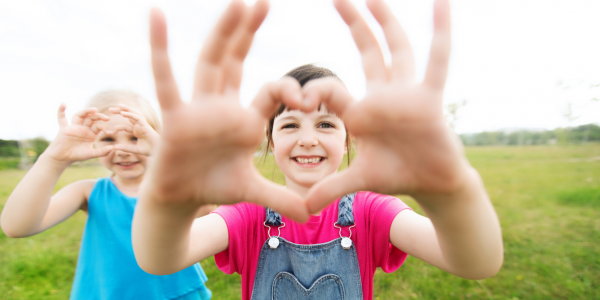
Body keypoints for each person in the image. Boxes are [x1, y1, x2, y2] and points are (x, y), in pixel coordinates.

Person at [132, 0, 504, 299]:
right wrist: (167, 202)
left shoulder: (372, 211)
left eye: (326, 124)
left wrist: (452, 193)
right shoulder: (246, 216)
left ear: (348, 139)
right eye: (290, 125)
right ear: (270, 139)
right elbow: (160, 260)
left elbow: (478, 264)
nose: (308, 138)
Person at [0, 90, 213, 300]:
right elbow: (16, 226)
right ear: (93, 142)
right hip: (108, 293)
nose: (123, 149)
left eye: (135, 137)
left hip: (175, 291)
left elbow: (214, 206)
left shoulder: (176, 190)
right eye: (108, 139)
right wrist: (55, 159)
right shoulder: (88, 191)